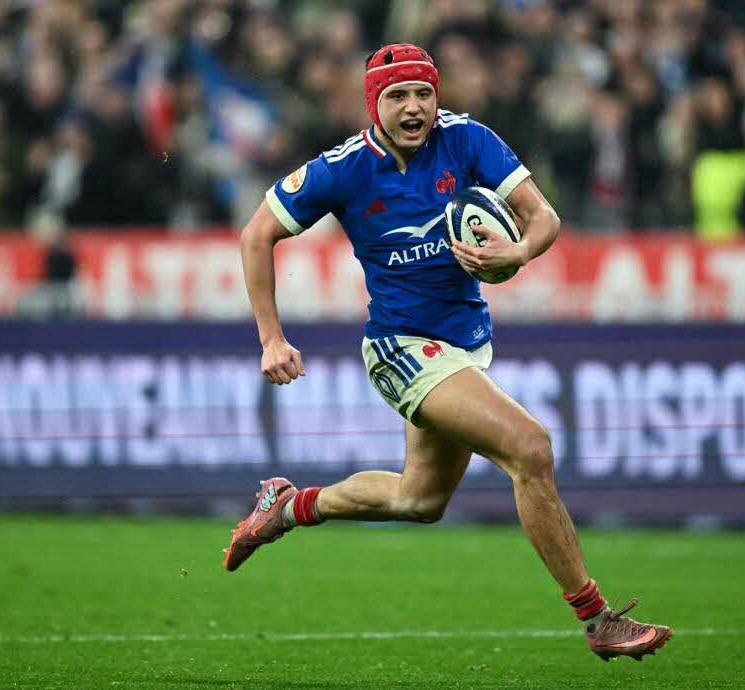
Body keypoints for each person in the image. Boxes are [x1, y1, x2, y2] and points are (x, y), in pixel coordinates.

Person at [223, 43, 671, 662]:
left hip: (464, 347)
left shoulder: (468, 141)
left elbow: (544, 219)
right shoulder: (344, 167)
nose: (414, 107)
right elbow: (256, 235)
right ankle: (598, 620)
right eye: (398, 96)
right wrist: (271, 337)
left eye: (423, 93)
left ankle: (288, 507)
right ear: (373, 104)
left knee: (419, 500)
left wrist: (515, 254)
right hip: (400, 348)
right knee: (531, 449)